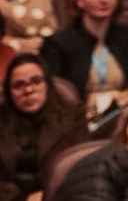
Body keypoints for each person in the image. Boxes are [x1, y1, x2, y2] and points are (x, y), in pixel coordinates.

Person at [42, 0, 128, 124]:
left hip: (126, 117)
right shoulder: (58, 43)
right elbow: (57, 97)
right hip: (78, 121)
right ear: (80, 0)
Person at [0, 54, 85, 201]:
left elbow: (82, 169)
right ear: (8, 92)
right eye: (18, 85)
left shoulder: (73, 117)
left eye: (36, 81)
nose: (28, 90)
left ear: (47, 84)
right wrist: (22, 198)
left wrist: (47, 195)